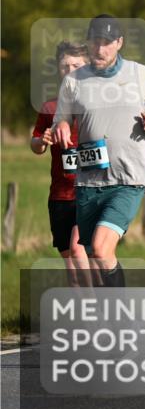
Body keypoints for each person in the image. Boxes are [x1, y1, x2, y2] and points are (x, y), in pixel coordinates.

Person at [53, 15, 145, 286]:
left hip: (128, 178)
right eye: (95, 41)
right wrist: (61, 125)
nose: (100, 48)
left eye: (107, 42)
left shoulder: (141, 74)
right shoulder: (73, 81)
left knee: (100, 247)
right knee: (98, 254)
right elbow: (61, 117)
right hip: (89, 180)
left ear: (119, 43)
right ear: (88, 43)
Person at [31, 41, 90, 284]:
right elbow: (35, 145)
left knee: (78, 250)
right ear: (58, 68)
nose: (70, 70)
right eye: (65, 66)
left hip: (88, 192)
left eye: (76, 65)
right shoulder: (50, 107)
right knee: (69, 261)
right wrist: (42, 141)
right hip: (60, 194)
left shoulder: (95, 105)